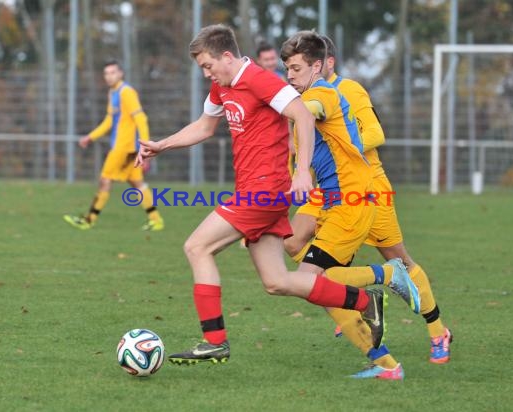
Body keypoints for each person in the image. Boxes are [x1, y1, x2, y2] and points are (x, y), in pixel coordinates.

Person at [135, 24, 416, 371]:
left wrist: (300, 173)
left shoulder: (259, 79)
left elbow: (301, 115)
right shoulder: (221, 87)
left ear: (226, 55)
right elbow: (204, 127)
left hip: (265, 190)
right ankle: (363, 301)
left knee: (197, 247)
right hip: (253, 190)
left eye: (208, 65)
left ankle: (214, 341)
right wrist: (162, 145)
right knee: (277, 282)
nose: (206, 73)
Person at [283, 34, 453, 365]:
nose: (290, 73)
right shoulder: (301, 98)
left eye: (296, 66)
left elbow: (375, 133)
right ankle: (352, 298)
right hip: (329, 187)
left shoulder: (348, 90)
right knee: (292, 241)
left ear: (325, 63)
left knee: (400, 260)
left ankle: (437, 330)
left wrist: (343, 138)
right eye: (288, 67)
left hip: (367, 184)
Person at [63, 60, 164, 231]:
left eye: (112, 72)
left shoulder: (126, 92)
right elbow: (110, 120)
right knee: (136, 182)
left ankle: (89, 220)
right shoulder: (113, 93)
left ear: (120, 73)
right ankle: (156, 220)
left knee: (104, 180)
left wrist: (146, 147)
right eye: (106, 73)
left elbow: (141, 118)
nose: (109, 76)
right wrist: (91, 136)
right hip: (127, 148)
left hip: (122, 147)